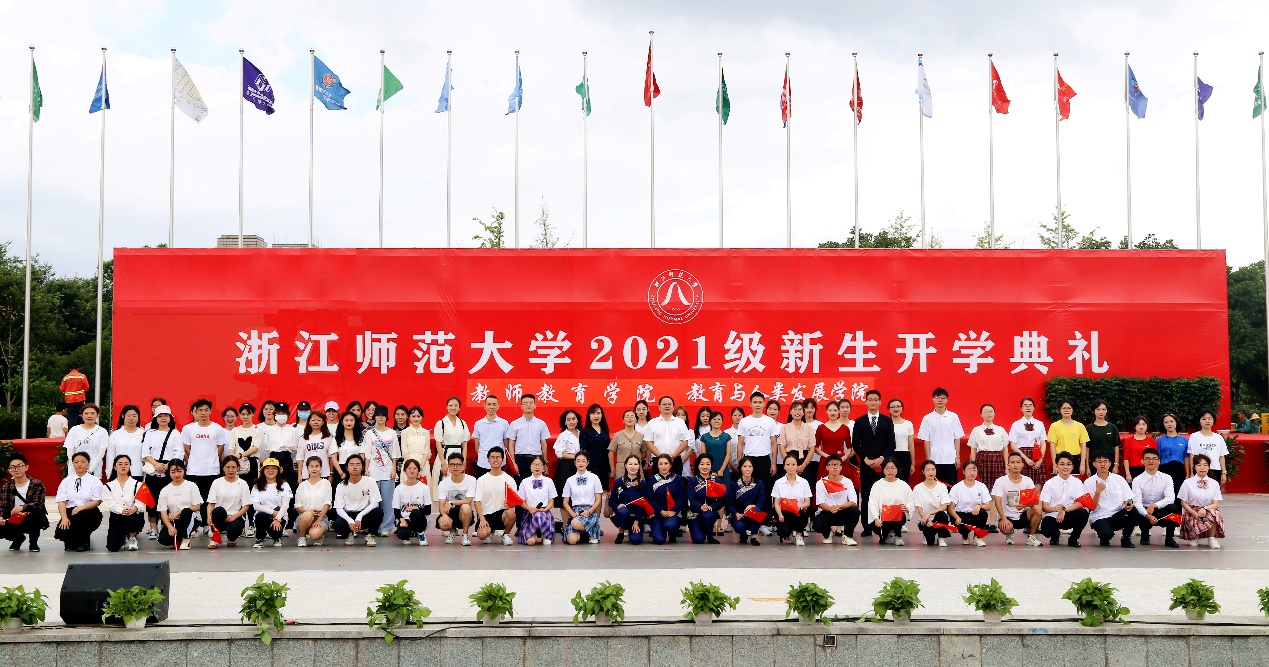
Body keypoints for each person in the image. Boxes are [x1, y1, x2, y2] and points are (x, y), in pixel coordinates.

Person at [853, 390, 895, 537]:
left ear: (880, 402)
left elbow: (892, 444)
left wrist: (882, 458)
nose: (873, 402)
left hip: (883, 465)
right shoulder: (859, 421)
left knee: (884, 495)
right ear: (866, 402)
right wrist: (865, 458)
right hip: (866, 464)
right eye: (870, 399)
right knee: (866, 494)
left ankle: (886, 524)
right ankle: (867, 526)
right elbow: (856, 444)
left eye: (875, 399)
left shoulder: (887, 421)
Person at [181, 398, 229, 525]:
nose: (203, 413)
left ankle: (209, 524)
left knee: (210, 499)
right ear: (195, 412)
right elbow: (186, 448)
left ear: (211, 411)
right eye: (200, 410)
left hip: (212, 470)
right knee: (194, 499)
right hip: (193, 470)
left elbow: (220, 448)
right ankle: (195, 526)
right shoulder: (188, 429)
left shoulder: (218, 429)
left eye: (206, 410)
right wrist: (195, 458)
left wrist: (211, 459)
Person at [737, 392, 780, 523]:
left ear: (764, 404)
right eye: (755, 402)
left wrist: (773, 463)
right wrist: (740, 462)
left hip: (764, 459)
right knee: (749, 490)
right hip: (749, 459)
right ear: (750, 404)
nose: (757, 405)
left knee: (765, 490)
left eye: (760, 402)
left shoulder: (770, 421)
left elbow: (774, 443)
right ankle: (748, 520)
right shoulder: (744, 421)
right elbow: (740, 443)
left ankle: (764, 522)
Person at [141, 405, 180, 539]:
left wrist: (168, 465)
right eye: (160, 416)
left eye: (166, 416)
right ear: (155, 418)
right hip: (153, 469)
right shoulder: (150, 433)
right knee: (152, 499)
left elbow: (179, 452)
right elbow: (145, 453)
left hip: (170, 470)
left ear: (170, 418)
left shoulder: (175, 433)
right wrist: (156, 464)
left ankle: (166, 525)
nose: (163, 418)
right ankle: (153, 528)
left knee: (169, 498)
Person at [53, 451, 104, 551]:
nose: (79, 464)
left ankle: (84, 541)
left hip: (89, 511)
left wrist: (82, 507)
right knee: (61, 532)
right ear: (72, 464)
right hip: (71, 511)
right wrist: (64, 518)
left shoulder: (95, 481)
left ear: (88, 463)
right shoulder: (66, 481)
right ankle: (73, 540)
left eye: (83, 462)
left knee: (81, 517)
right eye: (76, 462)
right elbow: (62, 501)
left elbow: (97, 500)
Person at [1131, 448, 1181, 548]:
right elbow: (1137, 502)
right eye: (1147, 459)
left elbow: (1170, 498)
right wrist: (1147, 515)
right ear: (1142, 461)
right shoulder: (1137, 480)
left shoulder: (1167, 478)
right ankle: (1144, 535)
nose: (1151, 461)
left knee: (1173, 508)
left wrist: (1154, 506)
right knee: (1135, 510)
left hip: (1160, 509)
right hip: (1144, 511)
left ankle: (1169, 538)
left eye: (1154, 459)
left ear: (1159, 461)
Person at [361, 409, 401, 536]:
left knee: (388, 502)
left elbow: (395, 453)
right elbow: (367, 453)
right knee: (373, 501)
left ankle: (386, 528)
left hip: (388, 472)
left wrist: (394, 469)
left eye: (383, 416)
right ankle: (373, 527)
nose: (380, 418)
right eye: (378, 415)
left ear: (387, 418)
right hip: (373, 472)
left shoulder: (392, 433)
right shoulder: (369, 433)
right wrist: (366, 469)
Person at [1083, 453, 1135, 548]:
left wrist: (1129, 503)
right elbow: (1092, 508)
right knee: (1106, 535)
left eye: (1105, 461)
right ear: (1094, 464)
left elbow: (1128, 497)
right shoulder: (1088, 482)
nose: (1103, 464)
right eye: (1099, 462)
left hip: (1117, 515)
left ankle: (1126, 538)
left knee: (1133, 511)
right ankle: (1104, 536)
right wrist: (1097, 492)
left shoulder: (1119, 479)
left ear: (1110, 463)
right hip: (1099, 516)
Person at [991, 452, 1043, 547]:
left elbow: (1035, 501)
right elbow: (997, 501)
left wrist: (1024, 505)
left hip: (1023, 516)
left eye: (1018, 462)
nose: (1015, 465)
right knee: (1006, 528)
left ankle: (1031, 536)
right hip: (1007, 517)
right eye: (1012, 462)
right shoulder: (1000, 481)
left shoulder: (1027, 480)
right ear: (1008, 465)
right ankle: (1009, 533)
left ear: (1022, 465)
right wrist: (1003, 519)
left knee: (1038, 509)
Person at [1039, 452, 1090, 547]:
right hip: (1053, 515)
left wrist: (1064, 510)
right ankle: (1055, 535)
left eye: (1068, 464)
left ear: (1072, 466)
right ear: (1056, 466)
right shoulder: (1049, 484)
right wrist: (1054, 509)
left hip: (1069, 514)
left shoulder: (1078, 483)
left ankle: (1073, 539)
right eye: (1062, 464)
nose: (1065, 467)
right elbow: (1044, 507)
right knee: (1047, 530)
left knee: (1083, 513)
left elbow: (1080, 503)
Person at [332, 454, 383, 546]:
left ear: (362, 467)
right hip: (349, 514)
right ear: (347, 467)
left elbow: (375, 503)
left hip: (364, 514)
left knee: (378, 512)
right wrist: (350, 521)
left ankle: (370, 535)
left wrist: (360, 516)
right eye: (351, 464)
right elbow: (338, 508)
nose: (354, 467)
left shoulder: (370, 481)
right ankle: (349, 534)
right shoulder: (341, 485)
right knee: (338, 525)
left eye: (358, 464)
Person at [0, 454, 47, 552]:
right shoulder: (5, 487)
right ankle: (18, 539)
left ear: (26, 467)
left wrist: (23, 507)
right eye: (13, 467)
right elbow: (2, 507)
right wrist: (1, 516)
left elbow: (38, 503)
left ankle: (33, 543)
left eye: (19, 466)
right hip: (13, 518)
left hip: (29, 517)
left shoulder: (37, 484)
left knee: (36, 513)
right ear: (9, 470)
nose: (16, 469)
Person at [917, 388, 964, 486]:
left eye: (943, 398)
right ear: (933, 400)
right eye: (937, 397)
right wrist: (928, 458)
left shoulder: (953, 417)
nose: (940, 400)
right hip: (935, 458)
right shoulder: (927, 418)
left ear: (947, 400)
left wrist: (957, 456)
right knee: (935, 485)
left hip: (950, 458)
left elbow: (957, 438)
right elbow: (926, 440)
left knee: (951, 485)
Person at [812, 454, 860, 545]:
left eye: (837, 464)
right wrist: (830, 508)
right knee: (817, 524)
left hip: (843, 511)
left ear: (841, 467)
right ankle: (827, 534)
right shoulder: (821, 483)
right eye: (832, 464)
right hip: (827, 512)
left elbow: (853, 501)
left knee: (855, 511)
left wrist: (840, 506)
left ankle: (848, 536)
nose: (835, 467)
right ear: (827, 467)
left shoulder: (847, 482)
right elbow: (820, 503)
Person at [473, 447, 517, 546]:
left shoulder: (509, 480)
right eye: (492, 457)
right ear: (488, 460)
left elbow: (514, 500)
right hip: (486, 515)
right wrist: (482, 519)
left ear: (503, 460)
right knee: (482, 535)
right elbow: (477, 501)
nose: (495, 460)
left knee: (511, 512)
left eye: (498, 457)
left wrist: (510, 504)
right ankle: (489, 533)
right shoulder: (481, 480)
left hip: (502, 514)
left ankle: (506, 535)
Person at [1178, 454, 1224, 549]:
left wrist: (1205, 508)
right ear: (1194, 467)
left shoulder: (1214, 483)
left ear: (1209, 467)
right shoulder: (1187, 483)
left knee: (1215, 513)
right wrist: (1194, 513)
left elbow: (1215, 504)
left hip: (1207, 509)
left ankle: (1211, 538)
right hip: (1192, 511)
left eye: (1205, 465)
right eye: (1199, 465)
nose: (1202, 467)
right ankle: (1194, 537)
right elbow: (1183, 503)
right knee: (1192, 517)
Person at [101, 455, 146, 552]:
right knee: (112, 547)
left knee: (134, 514)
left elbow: (142, 503)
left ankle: (132, 538)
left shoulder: (139, 484)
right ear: (114, 467)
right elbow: (110, 503)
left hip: (134, 516)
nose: (123, 466)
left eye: (126, 464)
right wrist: (121, 510)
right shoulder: (108, 486)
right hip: (118, 517)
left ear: (130, 466)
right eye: (120, 464)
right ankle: (123, 536)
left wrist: (135, 508)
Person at [154, 459, 201, 550]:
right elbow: (163, 512)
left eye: (179, 471)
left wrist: (179, 512)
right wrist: (170, 527)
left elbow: (197, 506)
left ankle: (186, 539)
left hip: (191, 517)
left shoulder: (192, 486)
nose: (176, 475)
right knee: (164, 539)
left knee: (187, 511)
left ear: (184, 471)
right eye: (173, 472)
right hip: (175, 520)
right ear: (169, 472)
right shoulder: (165, 490)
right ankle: (179, 537)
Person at [206, 456, 252, 549]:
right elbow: (211, 503)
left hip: (235, 516)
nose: (230, 470)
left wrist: (234, 517)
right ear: (223, 467)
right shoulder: (217, 482)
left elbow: (246, 506)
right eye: (228, 467)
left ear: (238, 468)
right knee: (219, 510)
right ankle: (214, 537)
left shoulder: (243, 483)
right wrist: (209, 516)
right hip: (219, 515)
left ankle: (231, 538)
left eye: (233, 467)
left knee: (235, 528)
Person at [561, 451, 604, 545]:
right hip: (575, 512)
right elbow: (565, 502)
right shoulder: (570, 480)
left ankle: (592, 531)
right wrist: (572, 513)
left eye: (583, 461)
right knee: (572, 540)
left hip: (589, 511)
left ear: (587, 462)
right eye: (578, 461)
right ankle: (588, 533)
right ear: (575, 462)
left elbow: (598, 500)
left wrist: (589, 511)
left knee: (575, 523)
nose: (581, 463)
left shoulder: (594, 478)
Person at [868, 458, 913, 546]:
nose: (890, 471)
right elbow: (872, 503)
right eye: (887, 468)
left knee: (900, 513)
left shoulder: (903, 485)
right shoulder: (877, 485)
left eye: (893, 468)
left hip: (898, 517)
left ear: (897, 469)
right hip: (882, 518)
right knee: (882, 540)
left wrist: (907, 507)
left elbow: (911, 500)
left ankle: (898, 535)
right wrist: (876, 518)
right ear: (883, 469)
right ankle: (887, 533)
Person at [771, 453, 813, 546]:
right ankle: (787, 535)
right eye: (788, 464)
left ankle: (798, 535)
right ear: (784, 466)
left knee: (802, 515)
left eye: (793, 464)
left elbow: (807, 502)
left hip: (798, 511)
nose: (791, 467)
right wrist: (780, 515)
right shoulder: (778, 483)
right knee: (783, 531)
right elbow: (776, 503)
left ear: (797, 466)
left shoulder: (804, 482)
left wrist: (799, 507)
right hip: (784, 512)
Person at [436, 452, 477, 545]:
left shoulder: (471, 480)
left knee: (466, 507)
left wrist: (451, 502)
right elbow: (441, 505)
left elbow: (468, 500)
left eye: (458, 464)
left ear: (463, 466)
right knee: (442, 523)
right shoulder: (443, 483)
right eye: (452, 464)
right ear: (448, 466)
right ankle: (452, 531)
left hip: (464, 513)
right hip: (450, 513)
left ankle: (465, 535)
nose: (455, 467)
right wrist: (445, 516)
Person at [251, 458, 293, 548]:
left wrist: (277, 518)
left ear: (278, 471)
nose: (270, 471)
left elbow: (285, 505)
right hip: (264, 515)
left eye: (274, 468)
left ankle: (277, 538)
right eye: (267, 468)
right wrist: (273, 512)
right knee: (260, 516)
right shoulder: (257, 486)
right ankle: (260, 538)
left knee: (275, 533)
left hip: (280, 516)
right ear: (263, 471)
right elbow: (256, 506)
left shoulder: (284, 485)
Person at [949, 460, 992, 547]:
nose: (972, 472)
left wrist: (979, 506)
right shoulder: (957, 487)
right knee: (962, 524)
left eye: (974, 470)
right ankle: (965, 536)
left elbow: (988, 506)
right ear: (963, 471)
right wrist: (956, 517)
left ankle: (977, 537)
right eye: (969, 470)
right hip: (961, 514)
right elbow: (951, 507)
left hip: (974, 514)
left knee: (983, 513)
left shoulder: (981, 486)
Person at [1008, 398, 1049, 487]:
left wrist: (1040, 460)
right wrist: (1025, 459)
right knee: (1021, 485)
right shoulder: (1016, 424)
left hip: (1037, 455)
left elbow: (1043, 443)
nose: (1028, 408)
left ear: (1034, 408)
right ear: (1021, 408)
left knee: (1037, 486)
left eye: (1030, 405)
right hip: (1022, 455)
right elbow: (1012, 444)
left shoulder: (1040, 424)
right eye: (1025, 405)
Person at [646, 397, 691, 477]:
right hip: (658, 460)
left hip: (675, 460)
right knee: (658, 483)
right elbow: (648, 442)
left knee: (676, 483)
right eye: (664, 404)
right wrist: (660, 457)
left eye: (669, 404)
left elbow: (685, 441)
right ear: (659, 407)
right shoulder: (652, 423)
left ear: (673, 407)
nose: (667, 406)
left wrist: (674, 455)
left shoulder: (680, 422)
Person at [911, 460, 953, 547]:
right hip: (924, 520)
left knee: (942, 514)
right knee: (930, 542)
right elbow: (919, 508)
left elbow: (944, 506)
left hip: (939, 518)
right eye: (928, 470)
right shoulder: (918, 488)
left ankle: (941, 537)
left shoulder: (942, 487)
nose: (931, 472)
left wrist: (930, 513)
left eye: (933, 469)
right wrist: (926, 519)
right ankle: (927, 534)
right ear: (923, 471)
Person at [507, 394, 550, 479]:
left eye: (531, 403)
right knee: (520, 484)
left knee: (536, 484)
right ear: (521, 406)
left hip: (537, 459)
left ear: (535, 405)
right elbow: (511, 444)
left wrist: (544, 462)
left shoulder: (541, 424)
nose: (528, 405)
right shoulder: (514, 424)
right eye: (525, 403)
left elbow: (544, 444)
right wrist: (513, 463)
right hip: (520, 459)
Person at [517, 456, 557, 545]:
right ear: (530, 466)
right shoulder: (524, 482)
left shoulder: (549, 481)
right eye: (534, 464)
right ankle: (534, 534)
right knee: (530, 542)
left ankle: (545, 534)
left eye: (540, 464)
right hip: (530, 513)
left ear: (544, 467)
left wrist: (545, 509)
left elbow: (551, 501)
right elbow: (521, 501)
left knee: (539, 515)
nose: (537, 467)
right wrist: (529, 508)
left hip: (544, 512)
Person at [967, 404, 1009, 489]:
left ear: (994, 413)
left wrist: (1007, 466)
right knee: (982, 486)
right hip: (982, 460)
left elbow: (1005, 449)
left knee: (998, 486)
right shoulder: (976, 430)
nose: (988, 414)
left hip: (997, 460)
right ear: (981, 414)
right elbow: (973, 450)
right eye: (985, 412)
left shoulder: (1000, 429)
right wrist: (972, 466)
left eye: (990, 411)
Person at [294, 456, 332, 547]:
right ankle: (302, 537)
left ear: (321, 467)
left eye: (317, 466)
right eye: (311, 466)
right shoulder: (302, 485)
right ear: (307, 468)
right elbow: (297, 506)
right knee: (307, 515)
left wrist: (319, 520)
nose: (314, 469)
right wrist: (308, 512)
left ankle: (318, 535)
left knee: (315, 535)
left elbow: (327, 503)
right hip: (304, 517)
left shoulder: (326, 483)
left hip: (320, 516)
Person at [727, 457, 767, 546]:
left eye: (750, 466)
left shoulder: (759, 483)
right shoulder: (734, 484)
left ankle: (753, 536)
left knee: (757, 511)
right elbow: (730, 503)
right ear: (740, 468)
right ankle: (743, 534)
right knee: (739, 526)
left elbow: (761, 501)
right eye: (745, 466)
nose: (747, 469)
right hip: (739, 515)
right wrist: (736, 513)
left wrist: (753, 506)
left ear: (753, 468)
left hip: (752, 513)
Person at [64, 402, 109, 480]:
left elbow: (102, 452)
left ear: (97, 415)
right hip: (75, 471)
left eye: (92, 413)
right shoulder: (74, 430)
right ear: (81, 415)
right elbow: (70, 450)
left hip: (94, 471)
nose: (89, 416)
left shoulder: (102, 431)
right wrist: (75, 466)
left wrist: (90, 470)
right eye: (86, 413)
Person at [647, 454, 686, 545]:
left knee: (670, 525)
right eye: (660, 464)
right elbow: (650, 498)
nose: (663, 466)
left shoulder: (678, 479)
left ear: (670, 465)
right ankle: (658, 530)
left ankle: (672, 533)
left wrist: (674, 511)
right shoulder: (652, 480)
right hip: (657, 514)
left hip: (673, 513)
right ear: (657, 466)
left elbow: (681, 497)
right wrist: (660, 511)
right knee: (659, 540)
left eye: (666, 463)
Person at [610, 455, 649, 545]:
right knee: (623, 512)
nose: (633, 467)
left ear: (639, 466)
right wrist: (617, 506)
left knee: (636, 540)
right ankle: (621, 531)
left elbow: (643, 503)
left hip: (637, 517)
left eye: (635, 464)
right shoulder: (619, 482)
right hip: (623, 515)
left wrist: (637, 521)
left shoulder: (643, 483)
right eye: (630, 464)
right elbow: (612, 500)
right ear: (625, 465)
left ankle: (634, 529)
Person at [392, 459, 432, 545]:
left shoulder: (424, 488)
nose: (412, 471)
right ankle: (410, 533)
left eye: (414, 468)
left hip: (420, 519)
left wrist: (416, 508)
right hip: (405, 519)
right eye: (409, 468)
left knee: (415, 513)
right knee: (402, 534)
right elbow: (396, 510)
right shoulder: (398, 488)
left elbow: (428, 510)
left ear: (418, 471)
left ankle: (421, 533)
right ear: (405, 471)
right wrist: (402, 520)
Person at [685, 454, 722, 544]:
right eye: (702, 464)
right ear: (698, 465)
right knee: (698, 539)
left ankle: (710, 535)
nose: (705, 467)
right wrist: (700, 506)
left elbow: (721, 500)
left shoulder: (717, 481)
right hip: (694, 513)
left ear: (711, 465)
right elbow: (691, 498)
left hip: (709, 512)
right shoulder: (692, 481)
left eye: (708, 464)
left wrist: (711, 507)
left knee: (707, 515)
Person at [1047, 401, 1090, 477]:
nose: (1066, 410)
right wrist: (1054, 463)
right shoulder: (1054, 426)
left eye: (1069, 408)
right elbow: (1052, 446)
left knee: (1075, 482)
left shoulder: (1080, 426)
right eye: (1064, 408)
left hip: (1075, 459)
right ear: (1060, 410)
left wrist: (1082, 464)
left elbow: (1083, 446)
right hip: (1060, 459)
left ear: (1072, 410)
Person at [778, 402, 816, 487]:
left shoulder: (809, 427)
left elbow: (812, 448)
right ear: (790, 412)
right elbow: (782, 447)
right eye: (795, 409)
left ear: (803, 412)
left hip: (805, 460)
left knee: (806, 486)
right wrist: (788, 464)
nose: (797, 412)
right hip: (790, 459)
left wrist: (803, 465)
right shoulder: (785, 427)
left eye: (800, 410)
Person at [472, 396, 510, 479]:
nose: (491, 407)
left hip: (499, 463)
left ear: (498, 406)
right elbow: (476, 445)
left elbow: (506, 445)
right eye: (489, 404)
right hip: (483, 462)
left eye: (494, 404)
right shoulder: (478, 424)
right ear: (484, 406)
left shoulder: (504, 423)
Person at [1186, 410, 1229, 484]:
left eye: (1210, 418)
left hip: (1215, 469)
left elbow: (1222, 456)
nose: (1207, 421)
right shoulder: (1194, 436)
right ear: (1199, 421)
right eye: (1204, 419)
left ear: (1213, 420)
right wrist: (1192, 472)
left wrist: (1224, 472)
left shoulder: (1218, 438)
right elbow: (1192, 455)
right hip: (1200, 470)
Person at [433, 397, 471, 478]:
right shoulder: (441, 423)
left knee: (458, 480)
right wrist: (443, 462)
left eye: (456, 405)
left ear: (459, 408)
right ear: (446, 407)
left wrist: (463, 461)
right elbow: (438, 444)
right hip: (445, 455)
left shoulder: (463, 423)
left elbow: (464, 444)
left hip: (459, 455)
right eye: (450, 405)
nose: (453, 408)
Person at [609, 410, 646, 486]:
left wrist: (636, 462)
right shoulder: (617, 435)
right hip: (621, 469)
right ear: (623, 420)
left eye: (632, 416)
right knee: (621, 489)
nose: (630, 418)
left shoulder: (641, 436)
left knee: (639, 489)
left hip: (637, 469)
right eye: (627, 416)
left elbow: (644, 453)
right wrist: (613, 469)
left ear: (636, 420)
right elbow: (611, 453)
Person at [399, 407, 432, 493]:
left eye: (418, 416)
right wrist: (410, 467)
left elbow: (426, 450)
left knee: (423, 490)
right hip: (408, 462)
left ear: (422, 417)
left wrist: (420, 468)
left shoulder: (426, 432)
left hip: (423, 463)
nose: (416, 419)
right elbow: (404, 450)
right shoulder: (405, 432)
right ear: (409, 417)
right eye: (413, 416)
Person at [580, 404, 612, 491]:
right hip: (591, 465)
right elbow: (583, 451)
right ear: (589, 416)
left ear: (602, 415)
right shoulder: (584, 431)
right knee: (591, 490)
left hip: (604, 464)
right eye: (593, 413)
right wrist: (587, 467)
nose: (596, 416)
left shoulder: (605, 429)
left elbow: (608, 449)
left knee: (604, 490)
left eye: (598, 413)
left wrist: (609, 468)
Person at [554, 409, 583, 502]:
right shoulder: (563, 435)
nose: (571, 422)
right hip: (567, 466)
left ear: (577, 420)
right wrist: (576, 457)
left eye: (573, 419)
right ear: (565, 422)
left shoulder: (582, 433)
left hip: (581, 465)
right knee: (566, 496)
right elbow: (559, 453)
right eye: (569, 419)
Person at [1156, 414, 1189, 494]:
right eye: (1166, 422)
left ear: (1176, 422)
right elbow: (1157, 457)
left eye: (1171, 421)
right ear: (1163, 425)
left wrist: (1188, 474)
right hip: (1164, 469)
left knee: (1178, 493)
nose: (1169, 424)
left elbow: (1186, 457)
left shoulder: (1184, 440)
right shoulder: (1159, 440)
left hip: (1179, 469)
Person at [108, 405, 146, 476]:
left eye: (134, 416)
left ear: (138, 417)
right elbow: (110, 455)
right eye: (128, 416)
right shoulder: (115, 434)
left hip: (137, 472)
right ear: (123, 416)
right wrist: (109, 473)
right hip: (119, 473)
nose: (131, 418)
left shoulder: (143, 434)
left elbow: (146, 455)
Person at [1085, 401, 1120, 479]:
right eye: (1098, 409)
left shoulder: (1112, 428)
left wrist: (1116, 465)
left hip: (1109, 463)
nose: (1101, 412)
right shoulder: (1089, 428)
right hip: (1095, 463)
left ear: (1106, 411)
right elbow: (1087, 448)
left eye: (1104, 409)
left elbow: (1116, 447)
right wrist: (1087, 466)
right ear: (1093, 411)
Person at [331, 412, 364, 491]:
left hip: (357, 468)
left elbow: (362, 455)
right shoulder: (337, 439)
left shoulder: (360, 439)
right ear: (342, 422)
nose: (349, 423)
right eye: (346, 420)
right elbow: (334, 458)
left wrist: (359, 470)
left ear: (355, 422)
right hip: (341, 469)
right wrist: (341, 473)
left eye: (351, 420)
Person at [700, 411, 734, 486]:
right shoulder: (704, 437)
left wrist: (721, 470)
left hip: (724, 470)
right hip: (708, 471)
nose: (717, 421)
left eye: (719, 419)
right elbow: (703, 455)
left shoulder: (727, 436)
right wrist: (710, 471)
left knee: (725, 490)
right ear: (710, 421)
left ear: (722, 421)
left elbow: (728, 454)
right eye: (714, 419)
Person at [232, 403, 261, 486]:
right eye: (243, 414)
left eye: (248, 414)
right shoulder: (235, 430)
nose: (245, 417)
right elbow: (231, 447)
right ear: (239, 415)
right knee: (238, 487)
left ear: (253, 414)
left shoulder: (258, 429)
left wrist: (240, 455)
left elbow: (255, 447)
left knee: (253, 487)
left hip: (253, 463)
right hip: (238, 463)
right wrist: (232, 459)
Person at [300, 412, 334, 480]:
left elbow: (331, 457)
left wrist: (331, 473)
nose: (316, 422)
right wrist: (299, 475)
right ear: (309, 422)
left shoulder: (328, 437)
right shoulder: (303, 438)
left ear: (323, 422)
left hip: (324, 473)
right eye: (313, 420)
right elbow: (300, 458)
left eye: (319, 420)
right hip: (307, 474)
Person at [1121, 416, 1155, 484]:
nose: (1141, 427)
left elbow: (1155, 459)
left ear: (1147, 426)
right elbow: (1126, 458)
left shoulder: (1152, 441)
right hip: (1133, 470)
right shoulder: (1128, 441)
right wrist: (1128, 474)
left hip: (1148, 470)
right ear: (1134, 426)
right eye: (1138, 424)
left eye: (1143, 424)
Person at [889, 398, 914, 484]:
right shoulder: (886, 423)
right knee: (890, 481)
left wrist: (913, 463)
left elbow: (911, 445)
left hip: (904, 456)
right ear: (889, 409)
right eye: (893, 407)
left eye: (898, 406)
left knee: (904, 481)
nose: (896, 409)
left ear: (902, 408)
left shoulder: (908, 424)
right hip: (890, 455)